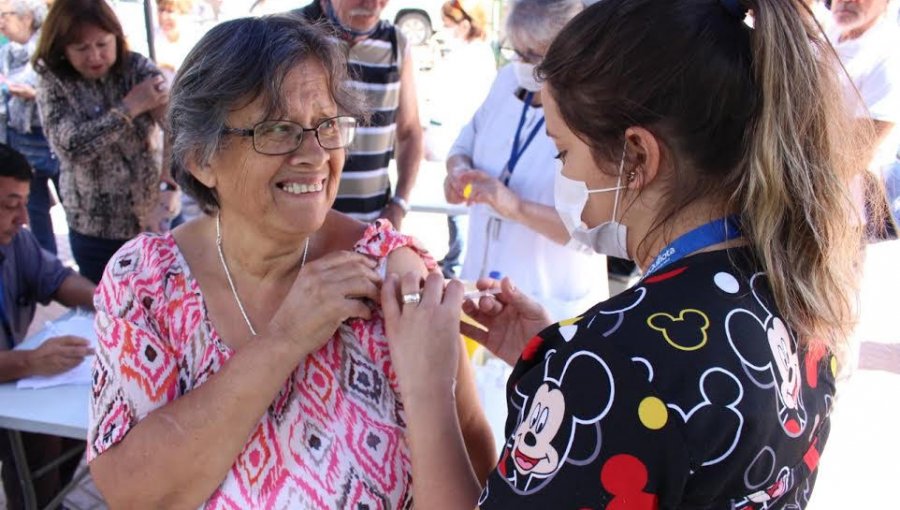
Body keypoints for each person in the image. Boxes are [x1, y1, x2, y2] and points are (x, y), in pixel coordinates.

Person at [383, 0, 864, 507]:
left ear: (637, 156)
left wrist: (429, 387)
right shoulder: (793, 288)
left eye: (562, 152)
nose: (564, 176)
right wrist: (560, 363)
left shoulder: (616, 364)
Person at [86, 16, 495, 508]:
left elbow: (473, 458)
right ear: (200, 158)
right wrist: (286, 339)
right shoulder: (147, 282)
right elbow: (132, 492)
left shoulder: (393, 276)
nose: (315, 154)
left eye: (327, 125)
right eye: (277, 129)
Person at [444, 0, 607, 321]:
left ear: (570, 48)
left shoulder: (595, 111)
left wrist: (516, 208)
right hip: (482, 285)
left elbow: (596, 231)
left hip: (550, 303)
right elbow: (464, 143)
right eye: (514, 50)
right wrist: (458, 173)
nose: (519, 62)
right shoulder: (507, 81)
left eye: (531, 55)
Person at [33, 0, 172, 284]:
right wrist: (130, 107)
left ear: (116, 37)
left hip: (153, 217)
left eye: (102, 44)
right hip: (96, 231)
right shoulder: (54, 82)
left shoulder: (136, 68)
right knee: (110, 312)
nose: (94, 56)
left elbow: (177, 126)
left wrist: (168, 185)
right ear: (62, 48)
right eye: (81, 48)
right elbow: (72, 148)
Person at [0, 143, 96, 510]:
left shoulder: (15, 242)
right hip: (11, 391)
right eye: (11, 206)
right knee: (35, 440)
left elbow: (56, 279)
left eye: (25, 202)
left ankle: (42, 499)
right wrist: (28, 362)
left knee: (76, 428)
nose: (24, 217)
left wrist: (110, 302)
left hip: (13, 390)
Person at [294, 0, 423, 228]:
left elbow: (410, 131)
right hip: (301, 229)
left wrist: (399, 205)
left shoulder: (396, 44)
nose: (373, 3)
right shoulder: (289, 30)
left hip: (369, 230)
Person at [427, 0, 496, 278]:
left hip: (464, 143)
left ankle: (456, 263)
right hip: (456, 143)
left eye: (448, 25)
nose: (444, 31)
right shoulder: (467, 53)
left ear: (465, 25)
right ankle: (455, 257)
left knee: (463, 209)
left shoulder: (476, 58)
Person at [0, 0, 60, 254]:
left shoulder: (49, 49)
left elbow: (59, 91)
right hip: (20, 141)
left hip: (51, 140)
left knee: (73, 209)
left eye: (5, 15)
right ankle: (46, 269)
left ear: (27, 18)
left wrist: (35, 93)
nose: (0, 22)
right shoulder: (8, 52)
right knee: (34, 213)